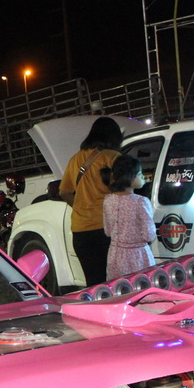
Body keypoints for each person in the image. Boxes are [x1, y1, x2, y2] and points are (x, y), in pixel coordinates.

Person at [59, 117, 122, 286]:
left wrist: (81, 206)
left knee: (94, 283)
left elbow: (64, 191)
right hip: (107, 229)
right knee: (116, 282)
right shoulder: (113, 157)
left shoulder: (75, 159)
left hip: (81, 230)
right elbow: (124, 190)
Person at [101, 155, 154, 279]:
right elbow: (149, 235)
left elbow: (108, 231)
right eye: (139, 174)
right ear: (129, 177)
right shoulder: (141, 201)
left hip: (115, 254)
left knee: (119, 286)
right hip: (138, 255)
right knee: (141, 286)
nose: (143, 177)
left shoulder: (108, 200)